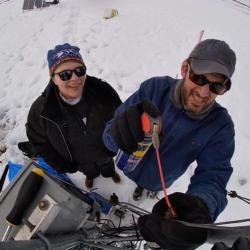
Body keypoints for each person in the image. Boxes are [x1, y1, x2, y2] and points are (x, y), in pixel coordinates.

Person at [103, 38, 236, 248]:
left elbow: (213, 177)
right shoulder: (155, 89)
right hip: (124, 163)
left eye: (216, 86)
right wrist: (116, 132)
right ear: (185, 68)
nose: (203, 93)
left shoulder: (220, 126)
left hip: (159, 180)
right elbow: (109, 135)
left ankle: (143, 189)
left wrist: (201, 206)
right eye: (199, 78)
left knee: (148, 185)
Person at [26, 43, 122, 189]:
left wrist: (117, 143)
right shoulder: (41, 112)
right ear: (53, 78)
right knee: (89, 171)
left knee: (107, 165)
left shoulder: (103, 92)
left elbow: (120, 117)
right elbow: (39, 143)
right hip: (79, 160)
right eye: (65, 74)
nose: (75, 78)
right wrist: (63, 165)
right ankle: (91, 176)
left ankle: (110, 173)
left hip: (105, 151)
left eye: (79, 70)